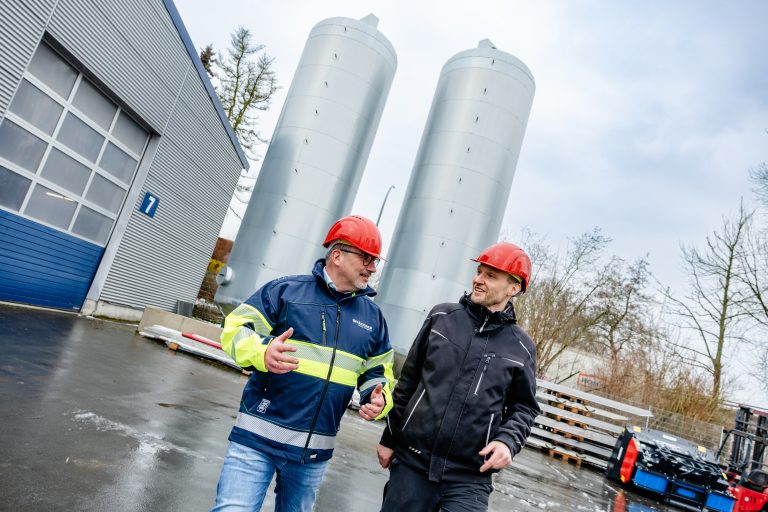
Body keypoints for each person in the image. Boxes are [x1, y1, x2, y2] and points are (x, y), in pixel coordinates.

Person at [212, 215, 395, 512]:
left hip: (312, 456)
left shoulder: (373, 318)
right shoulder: (285, 291)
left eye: (375, 260)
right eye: (366, 258)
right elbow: (234, 329)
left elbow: (379, 371)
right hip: (256, 441)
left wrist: (379, 398)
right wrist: (262, 352)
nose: (372, 268)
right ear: (337, 256)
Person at [376, 242, 540, 512]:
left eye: (490, 275)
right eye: (479, 272)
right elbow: (408, 383)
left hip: (470, 477)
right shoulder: (441, 317)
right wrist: (388, 439)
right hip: (413, 463)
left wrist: (507, 442)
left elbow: (524, 408)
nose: (479, 280)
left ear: (513, 288)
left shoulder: (521, 347)